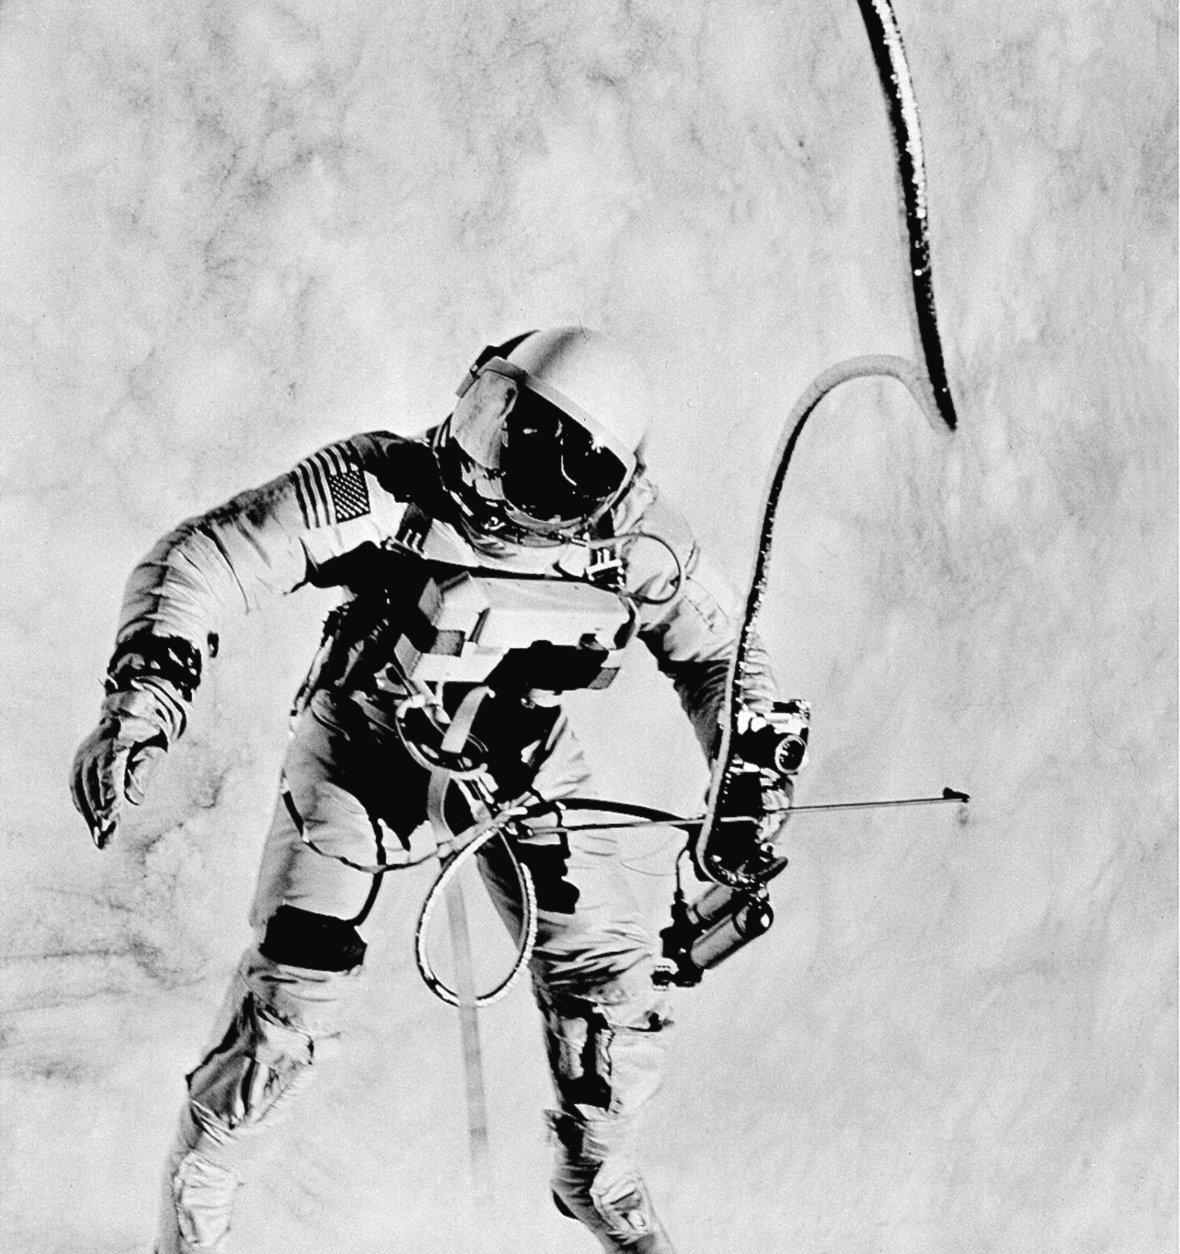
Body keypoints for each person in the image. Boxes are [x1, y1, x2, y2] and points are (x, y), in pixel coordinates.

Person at [70, 326, 788, 1253]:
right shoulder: (387, 489)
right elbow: (206, 559)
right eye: (493, 414)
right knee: (294, 994)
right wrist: (144, 699)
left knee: (612, 988)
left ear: (579, 483)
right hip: (364, 748)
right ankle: (202, 1183)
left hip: (519, 762)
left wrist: (747, 777)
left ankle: (597, 1169)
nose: (478, 458)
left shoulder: (637, 542)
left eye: (516, 448)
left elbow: (723, 658)